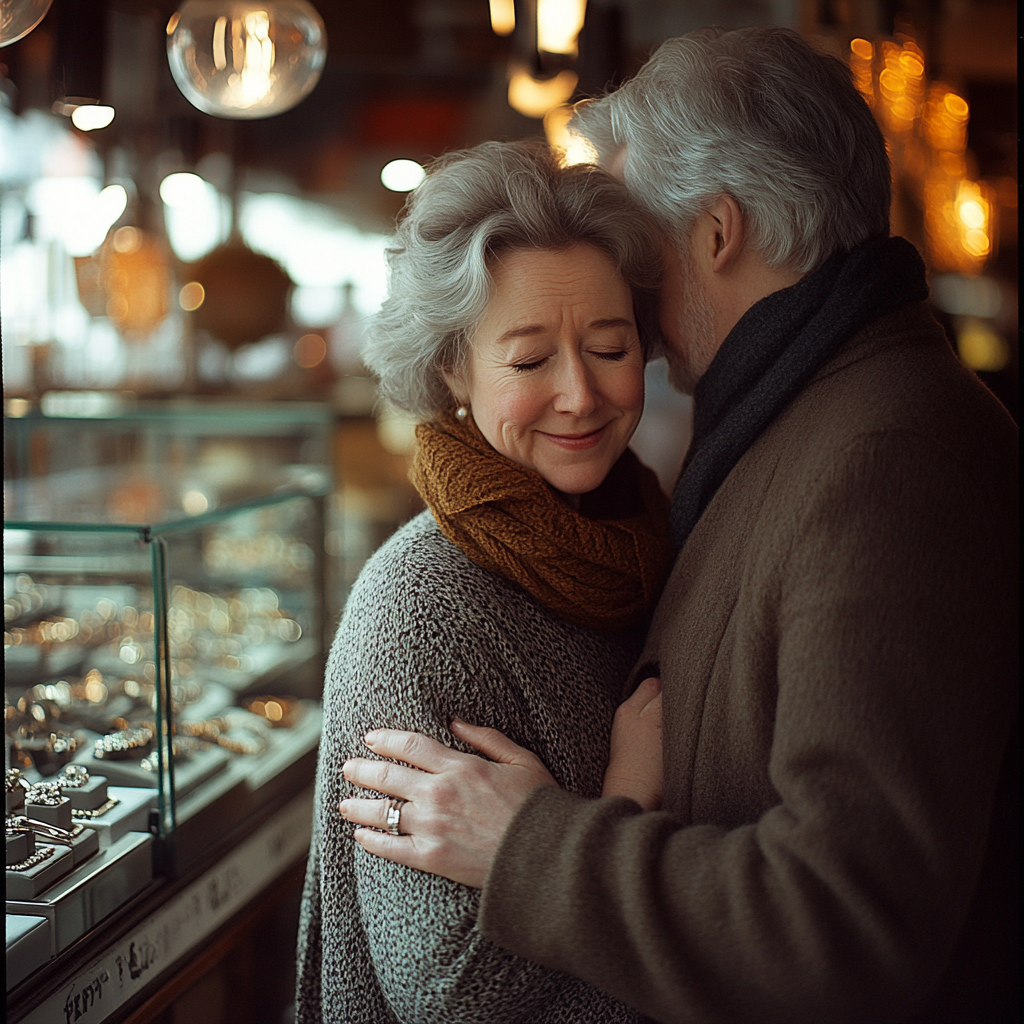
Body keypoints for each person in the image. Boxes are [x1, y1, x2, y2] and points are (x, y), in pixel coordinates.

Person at [339, 26, 1020, 1024]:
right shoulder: (809, 423)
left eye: (637, 246)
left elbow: (848, 918)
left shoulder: (886, 451)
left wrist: (543, 840)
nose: (636, 302)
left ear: (714, 232)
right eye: (527, 357)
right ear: (455, 367)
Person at [295, 139, 677, 1023]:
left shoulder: (647, 548)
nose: (581, 394)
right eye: (530, 360)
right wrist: (620, 802)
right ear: (452, 372)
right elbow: (448, 994)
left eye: (610, 346)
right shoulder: (418, 609)